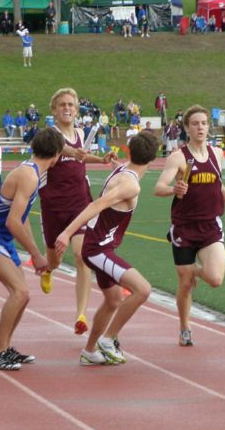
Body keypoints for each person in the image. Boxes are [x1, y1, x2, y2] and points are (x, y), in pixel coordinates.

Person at [53, 131, 160, 366]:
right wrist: (68, 232)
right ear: (153, 159)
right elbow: (97, 204)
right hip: (97, 250)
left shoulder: (124, 171)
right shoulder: (130, 185)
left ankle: (90, 350)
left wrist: (111, 162)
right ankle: (108, 339)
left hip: (101, 246)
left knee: (113, 300)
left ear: (129, 151)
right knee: (142, 290)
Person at [154, 105, 225, 346]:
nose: (200, 127)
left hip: (210, 225)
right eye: (195, 123)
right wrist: (173, 189)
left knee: (215, 278)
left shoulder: (216, 154)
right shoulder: (179, 157)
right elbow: (159, 187)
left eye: (204, 123)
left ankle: (192, 269)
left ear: (209, 126)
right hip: (184, 227)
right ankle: (185, 327)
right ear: (186, 127)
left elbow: (218, 186)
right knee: (184, 284)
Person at [0, 129, 62, 370]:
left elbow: (22, 219)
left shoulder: (33, 172)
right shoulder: (30, 176)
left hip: (1, 236)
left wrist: (36, 251)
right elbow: (13, 221)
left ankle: (6, 348)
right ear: (56, 155)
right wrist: (36, 255)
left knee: (23, 295)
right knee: (19, 292)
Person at [39, 88, 118, 336]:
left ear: (76, 109)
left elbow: (80, 157)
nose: (67, 108)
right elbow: (63, 151)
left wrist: (101, 159)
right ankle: (49, 268)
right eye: (62, 104)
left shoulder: (81, 133)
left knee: (82, 255)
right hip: (53, 206)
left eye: (71, 105)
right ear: (54, 110)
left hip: (80, 202)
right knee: (55, 258)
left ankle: (81, 314)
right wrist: (73, 152)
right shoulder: (48, 135)